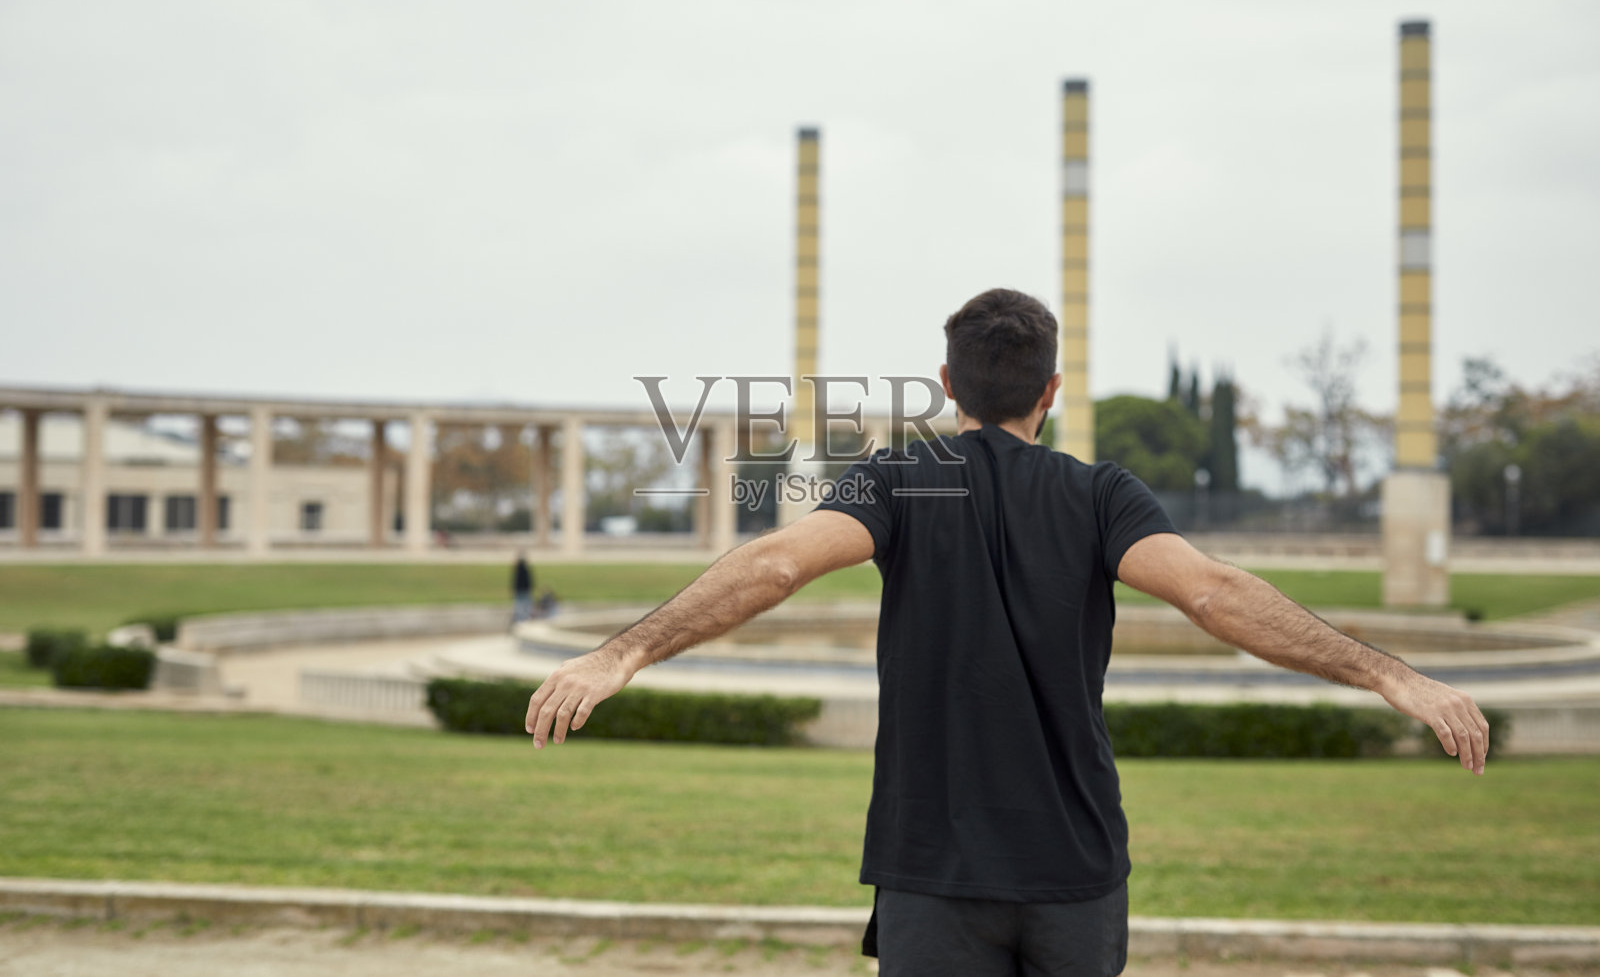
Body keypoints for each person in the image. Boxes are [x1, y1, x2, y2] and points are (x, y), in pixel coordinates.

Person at [524, 288, 1489, 977]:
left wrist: (622, 651)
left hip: (933, 876)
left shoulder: (900, 478)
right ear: (1052, 388)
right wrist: (1392, 675)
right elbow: (1214, 595)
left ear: (948, 382)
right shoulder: (1101, 494)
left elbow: (774, 562)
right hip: (1072, 870)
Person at [511, 552, 535, 625]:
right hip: (523, 591)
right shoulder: (524, 568)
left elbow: (515, 581)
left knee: (521, 607)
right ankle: (523, 621)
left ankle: (521, 621)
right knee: (524, 607)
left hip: (521, 591)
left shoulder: (518, 569)